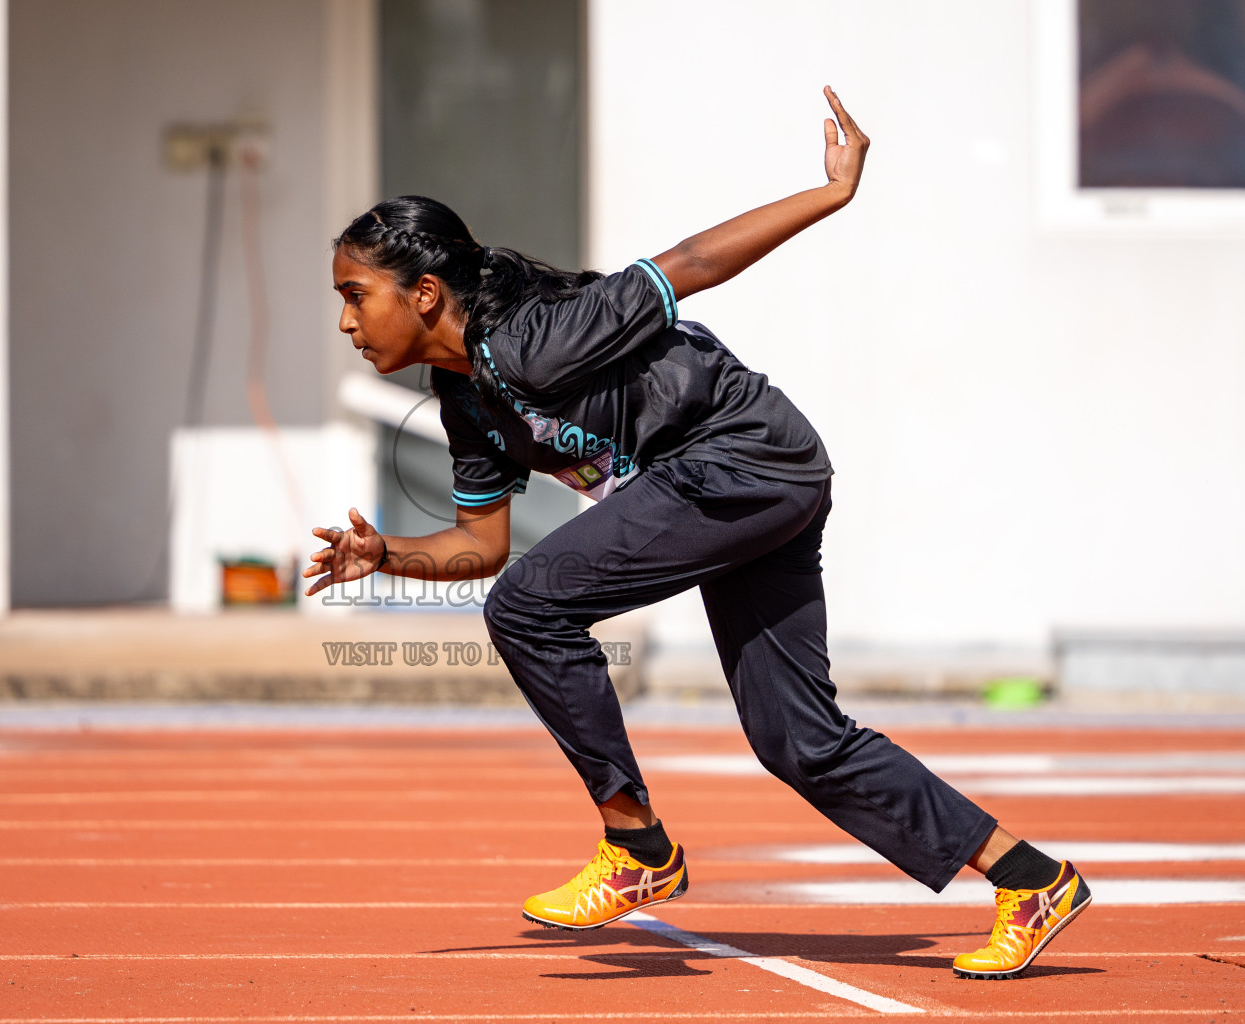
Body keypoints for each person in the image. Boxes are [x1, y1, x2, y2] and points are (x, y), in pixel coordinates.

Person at [306, 87, 1090, 980]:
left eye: (355, 295)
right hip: (749, 485)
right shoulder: (467, 401)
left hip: (742, 460)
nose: (345, 321)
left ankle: (637, 847)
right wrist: (388, 558)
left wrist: (830, 194)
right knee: (798, 739)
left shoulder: (534, 340)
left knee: (533, 605)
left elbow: (693, 262)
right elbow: (480, 548)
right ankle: (1029, 879)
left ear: (426, 291)